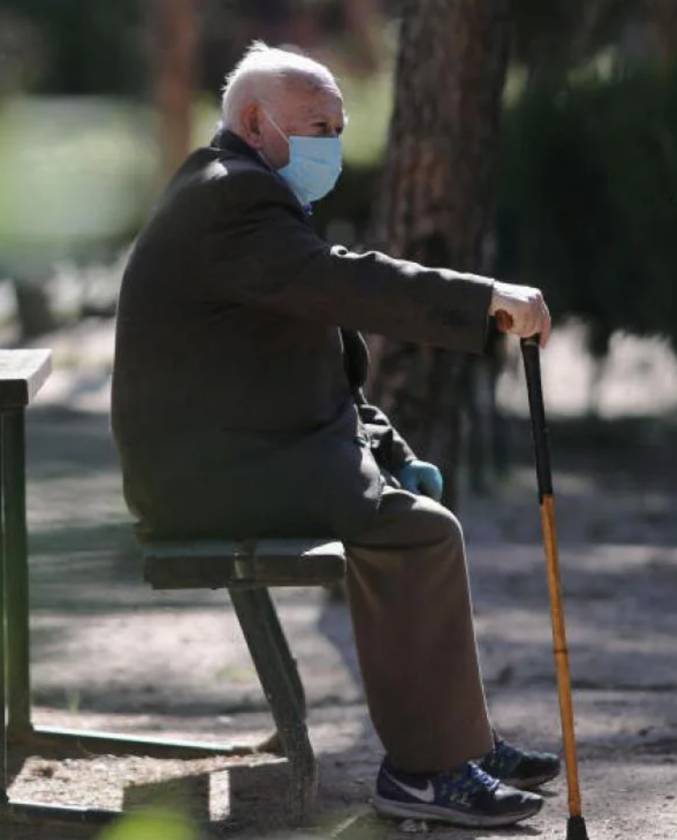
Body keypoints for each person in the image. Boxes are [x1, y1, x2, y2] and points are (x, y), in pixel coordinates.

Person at [109, 42, 559, 829]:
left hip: (231, 457)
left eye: (339, 127)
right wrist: (483, 296)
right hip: (207, 477)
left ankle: (458, 745)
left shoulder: (234, 189)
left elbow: (311, 363)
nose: (333, 145)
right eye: (318, 125)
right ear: (255, 123)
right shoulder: (233, 200)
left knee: (415, 525)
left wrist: (392, 451)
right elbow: (344, 281)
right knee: (419, 536)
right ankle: (426, 771)